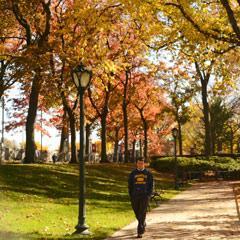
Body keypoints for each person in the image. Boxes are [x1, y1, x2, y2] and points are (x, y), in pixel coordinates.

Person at [128, 157, 153, 238]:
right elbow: (130, 185)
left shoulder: (148, 173)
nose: (140, 165)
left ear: (144, 164)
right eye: (139, 163)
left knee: (142, 212)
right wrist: (131, 195)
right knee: (137, 212)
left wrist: (148, 195)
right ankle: (143, 222)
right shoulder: (132, 173)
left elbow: (151, 185)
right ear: (136, 164)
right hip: (135, 196)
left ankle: (140, 231)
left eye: (142, 163)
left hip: (144, 196)